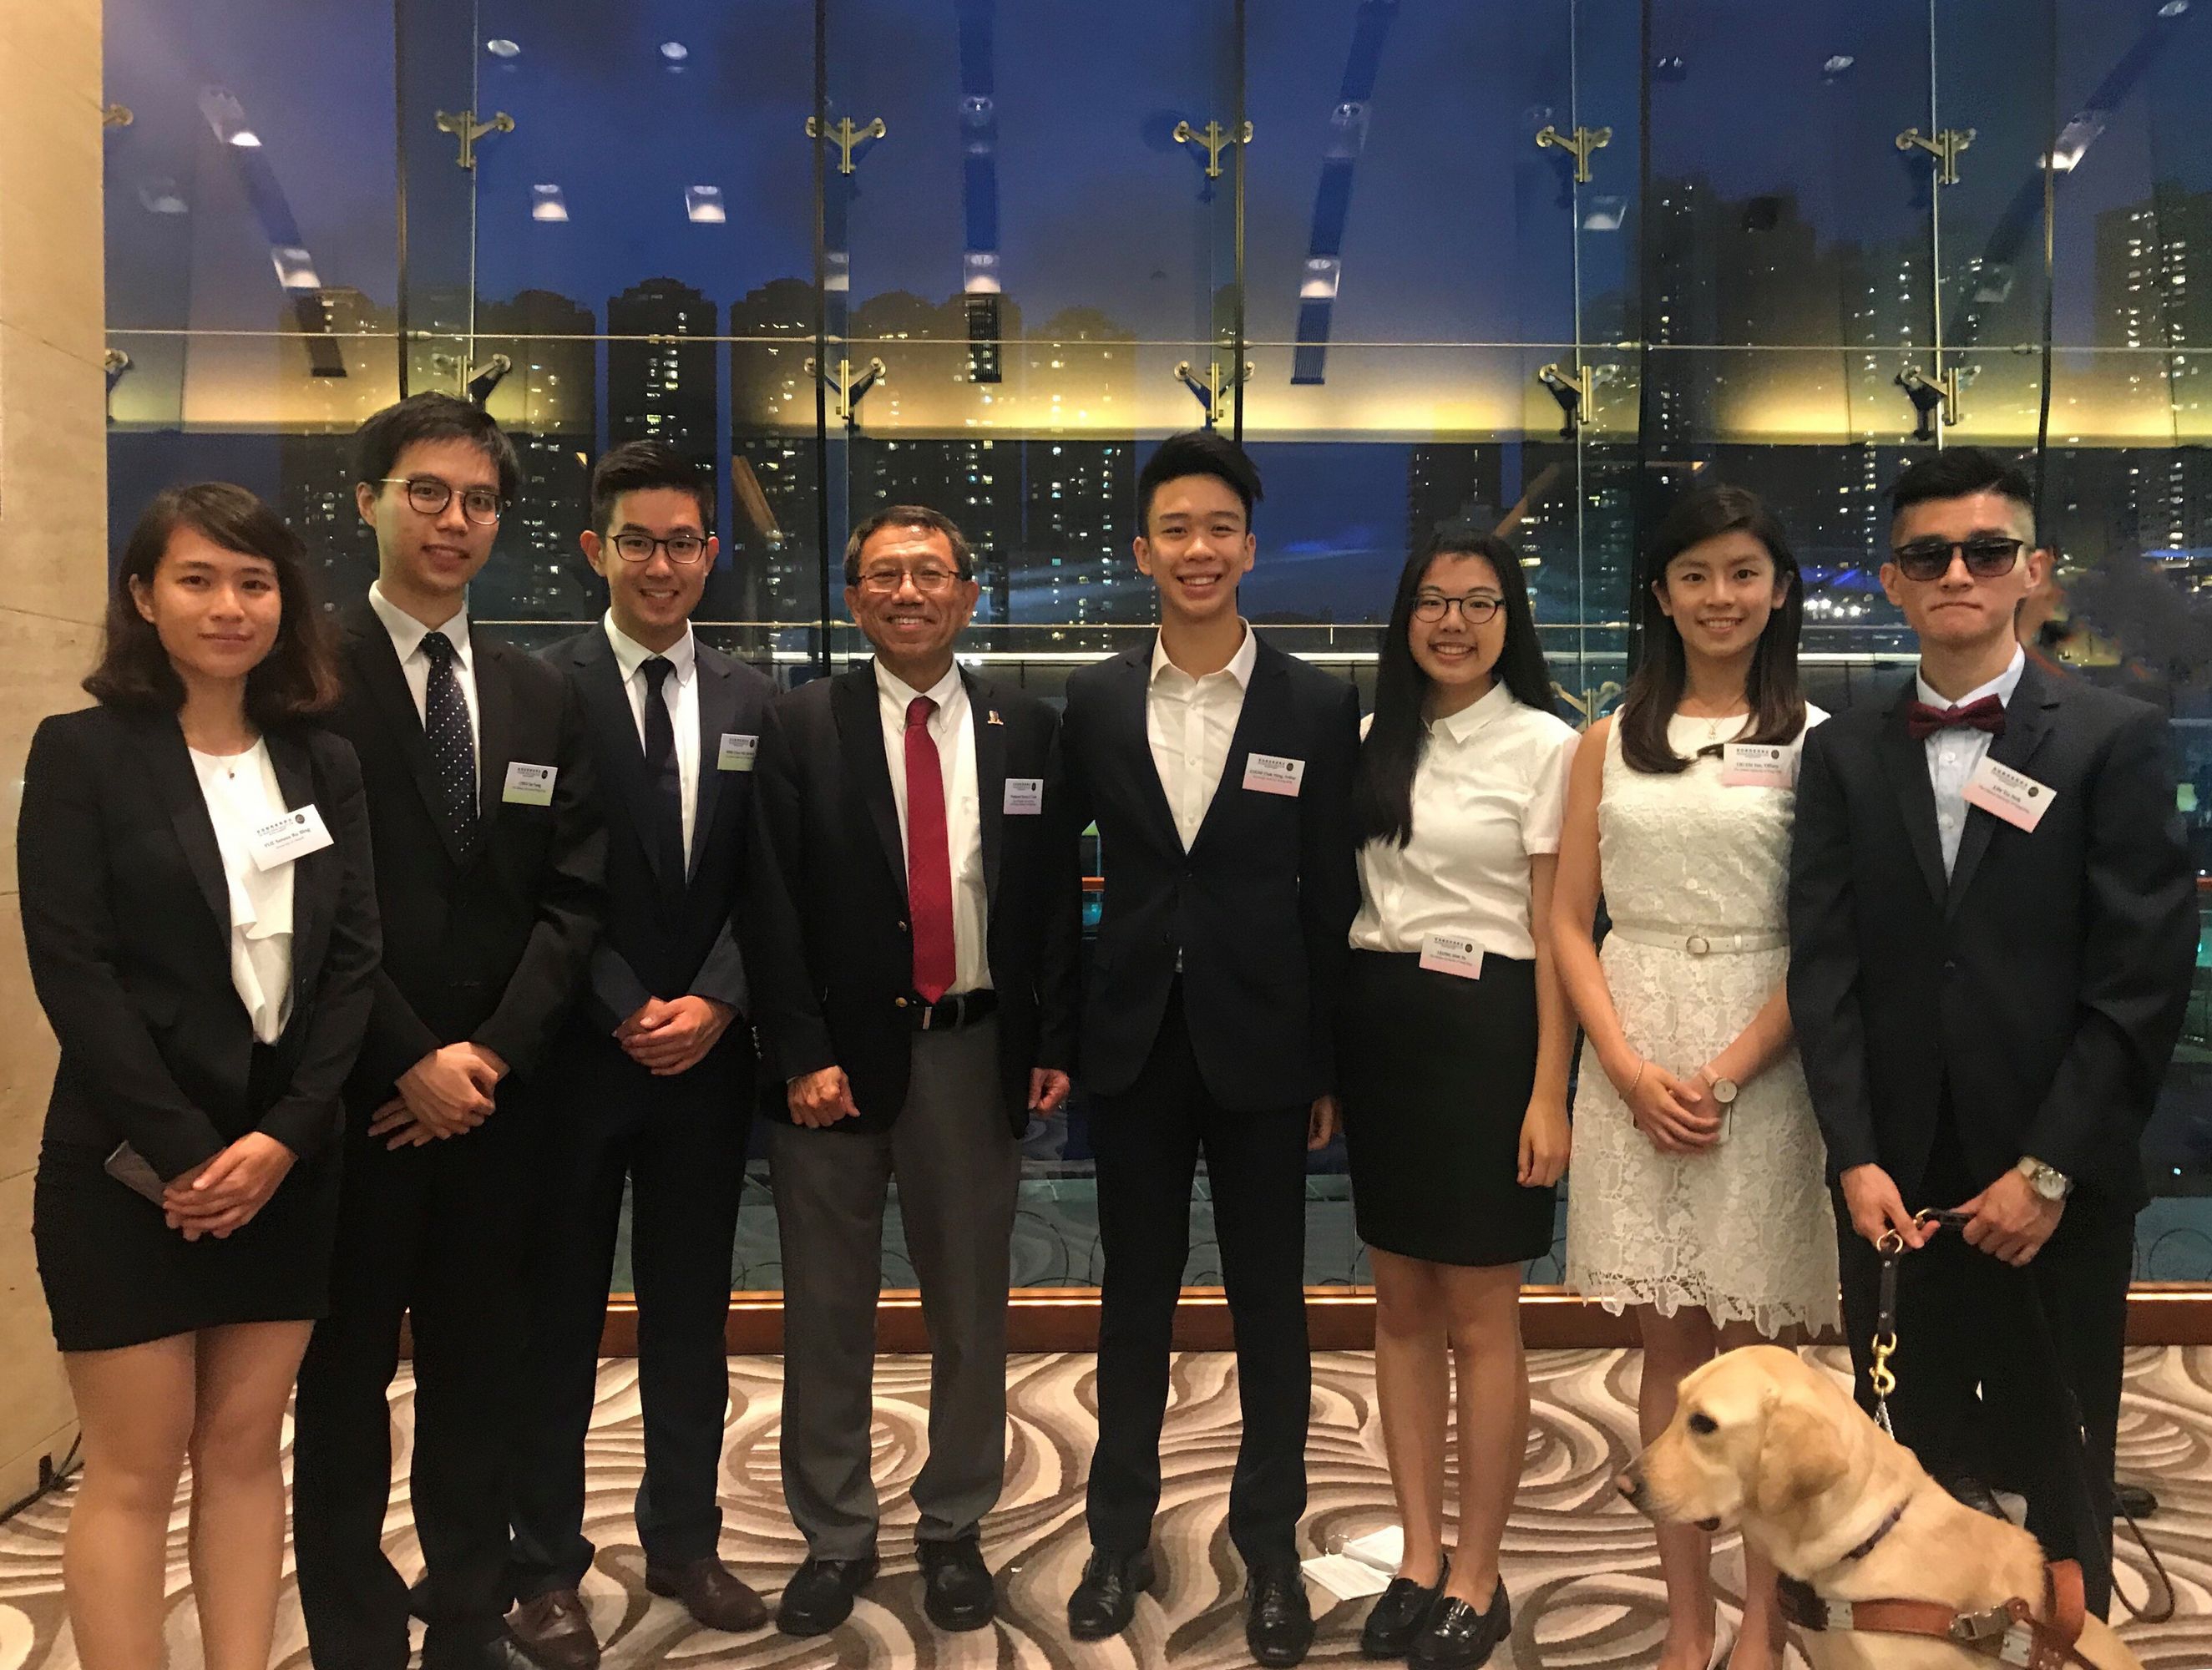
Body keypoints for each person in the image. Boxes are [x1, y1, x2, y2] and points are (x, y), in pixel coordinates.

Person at [1788, 448, 2196, 1619]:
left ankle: (2066, 1639)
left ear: (2032, 572)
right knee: (1904, 1460)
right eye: (1928, 555)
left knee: (2060, 1458)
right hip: (1895, 1180)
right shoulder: (1842, 752)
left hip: (2053, 1175)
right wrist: (1851, 1157)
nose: (1956, 572)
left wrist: (2048, 1168)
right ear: (1890, 582)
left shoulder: (2110, 737)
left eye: (1984, 551)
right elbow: (1824, 971)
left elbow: (2140, 979)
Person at [19, 483, 379, 1670]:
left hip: (284, 1164)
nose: (229, 606)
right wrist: (187, 1153)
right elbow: (74, 967)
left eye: (255, 582)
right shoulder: (83, 754)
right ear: (141, 595)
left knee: (241, 1451)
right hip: (130, 1169)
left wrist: (284, 1135)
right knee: (132, 1466)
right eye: (198, 579)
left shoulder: (322, 759)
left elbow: (353, 962)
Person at [291, 393, 606, 1670]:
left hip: (495, 1107)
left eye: (479, 501)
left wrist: (486, 1057)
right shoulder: (300, 680)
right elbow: (301, 897)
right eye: (427, 492)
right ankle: (356, 1631)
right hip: (361, 1102)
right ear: (366, 499)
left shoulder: (539, 694)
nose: (455, 522)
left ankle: (467, 1610)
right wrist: (406, 1058)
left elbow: (573, 897)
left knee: (485, 1378)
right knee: (345, 1390)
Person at [744, 505, 1081, 1638]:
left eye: (928, 572)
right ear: (852, 599)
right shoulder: (799, 726)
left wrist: (1052, 1044)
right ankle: (835, 1535)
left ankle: (953, 1525)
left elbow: (1045, 911)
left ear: (966, 594)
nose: (906, 592)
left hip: (975, 1054)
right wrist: (801, 1054)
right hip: (834, 1073)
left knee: (970, 1311)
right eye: (882, 574)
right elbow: (771, 906)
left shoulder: (1027, 729)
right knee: (826, 1314)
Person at [1060, 431, 1361, 1668]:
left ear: (1249, 546)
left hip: (1264, 1048)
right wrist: (1052, 1037)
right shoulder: (1088, 699)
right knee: (1130, 1300)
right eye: (1173, 529)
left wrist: (1331, 1064)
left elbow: (1332, 895)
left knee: (1267, 1307)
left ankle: (1271, 1544)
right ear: (1143, 552)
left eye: (1218, 528)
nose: (1197, 549)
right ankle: (1114, 1535)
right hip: (1130, 1043)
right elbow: (1046, 885)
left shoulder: (1313, 702)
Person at [504, 443, 776, 1667]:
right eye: (637, 542)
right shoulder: (537, 689)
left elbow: (769, 886)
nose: (661, 564)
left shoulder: (753, 699)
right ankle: (542, 1568)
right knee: (553, 1320)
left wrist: (714, 1003)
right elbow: (533, 884)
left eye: (682, 543)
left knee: (689, 1316)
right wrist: (623, 1002)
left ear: (709, 556)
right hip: (574, 1058)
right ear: (592, 551)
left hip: (703, 1069)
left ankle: (684, 1538)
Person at [1556, 485, 1835, 1670]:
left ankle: (1763, 1626)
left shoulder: (1817, 743)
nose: (1717, 598)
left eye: (1740, 573)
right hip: (1634, 1040)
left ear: (1776, 592)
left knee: (1763, 1368)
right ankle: (1683, 1625)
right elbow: (1568, 920)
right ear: (1659, 597)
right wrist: (1624, 1067)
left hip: (1763, 1057)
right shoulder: (1602, 739)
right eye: (1693, 576)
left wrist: (1719, 1075)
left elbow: (1827, 934)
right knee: (1665, 1351)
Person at [1340, 529, 1576, 1670]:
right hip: (1383, 1029)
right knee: (1396, 1309)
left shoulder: (1548, 746)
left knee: (1483, 1317)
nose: (1451, 622)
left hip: (1490, 1037)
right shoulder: (1370, 738)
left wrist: (1548, 1093)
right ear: (1404, 614)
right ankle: (1417, 1554)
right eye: (1430, 600)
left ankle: (1478, 1579)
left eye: (1477, 603)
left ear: (1507, 619)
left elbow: (1555, 933)